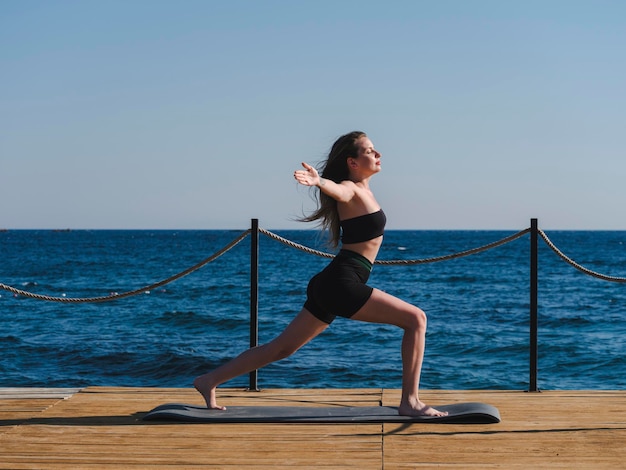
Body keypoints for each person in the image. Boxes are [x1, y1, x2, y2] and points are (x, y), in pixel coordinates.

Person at [194, 131, 446, 417]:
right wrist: (318, 182)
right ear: (352, 162)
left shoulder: (364, 190)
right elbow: (337, 190)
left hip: (332, 282)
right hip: (341, 282)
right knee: (416, 319)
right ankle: (410, 402)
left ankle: (208, 380)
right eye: (370, 150)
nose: (378, 154)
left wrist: (322, 182)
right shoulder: (349, 188)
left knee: (281, 348)